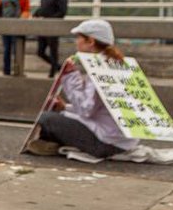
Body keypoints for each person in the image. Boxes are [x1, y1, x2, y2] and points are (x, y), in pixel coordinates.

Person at [26, 19, 138, 159]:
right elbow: (97, 109)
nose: (76, 41)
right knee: (60, 115)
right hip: (125, 141)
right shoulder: (118, 65)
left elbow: (86, 110)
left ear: (90, 41)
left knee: (46, 118)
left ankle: (52, 143)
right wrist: (65, 108)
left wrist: (70, 77)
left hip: (107, 142)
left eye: (79, 37)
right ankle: (52, 142)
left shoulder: (99, 69)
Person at [34, 0, 68, 77]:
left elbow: (62, 11)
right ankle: (59, 67)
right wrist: (37, 13)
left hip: (53, 25)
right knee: (40, 52)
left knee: (53, 51)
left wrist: (52, 19)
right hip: (44, 24)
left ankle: (52, 74)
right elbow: (45, 7)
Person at [0, 0, 30, 76]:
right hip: (5, 23)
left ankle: (18, 70)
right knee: (6, 48)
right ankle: (6, 71)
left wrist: (22, 20)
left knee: (17, 48)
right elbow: (0, 6)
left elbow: (26, 8)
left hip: (16, 23)